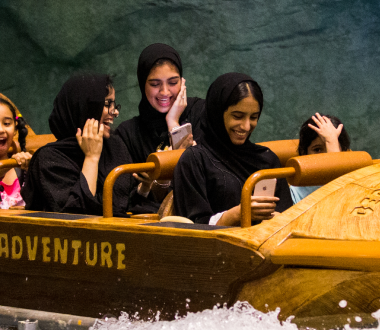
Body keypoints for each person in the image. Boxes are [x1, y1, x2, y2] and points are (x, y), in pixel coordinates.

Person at [21, 72, 159, 216]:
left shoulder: (114, 146)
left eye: (114, 104)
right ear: (83, 108)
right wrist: (91, 157)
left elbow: (123, 206)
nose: (115, 112)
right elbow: (76, 215)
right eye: (107, 104)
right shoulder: (48, 159)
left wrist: (145, 186)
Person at [173, 72, 292, 226]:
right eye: (237, 116)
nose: (246, 126)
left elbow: (289, 217)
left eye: (254, 117)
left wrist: (277, 218)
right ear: (217, 112)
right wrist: (237, 214)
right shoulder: (195, 160)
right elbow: (191, 227)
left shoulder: (267, 159)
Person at [116, 43, 205, 162]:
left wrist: (173, 122)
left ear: (182, 82)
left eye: (173, 82)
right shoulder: (128, 133)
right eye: (155, 84)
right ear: (143, 85)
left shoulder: (200, 112)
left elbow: (198, 169)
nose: (164, 92)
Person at [290, 113, 351, 204]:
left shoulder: (354, 182)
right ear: (304, 153)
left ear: (344, 151)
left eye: (332, 148)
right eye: (317, 150)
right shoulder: (294, 191)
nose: (325, 157)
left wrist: (332, 141)